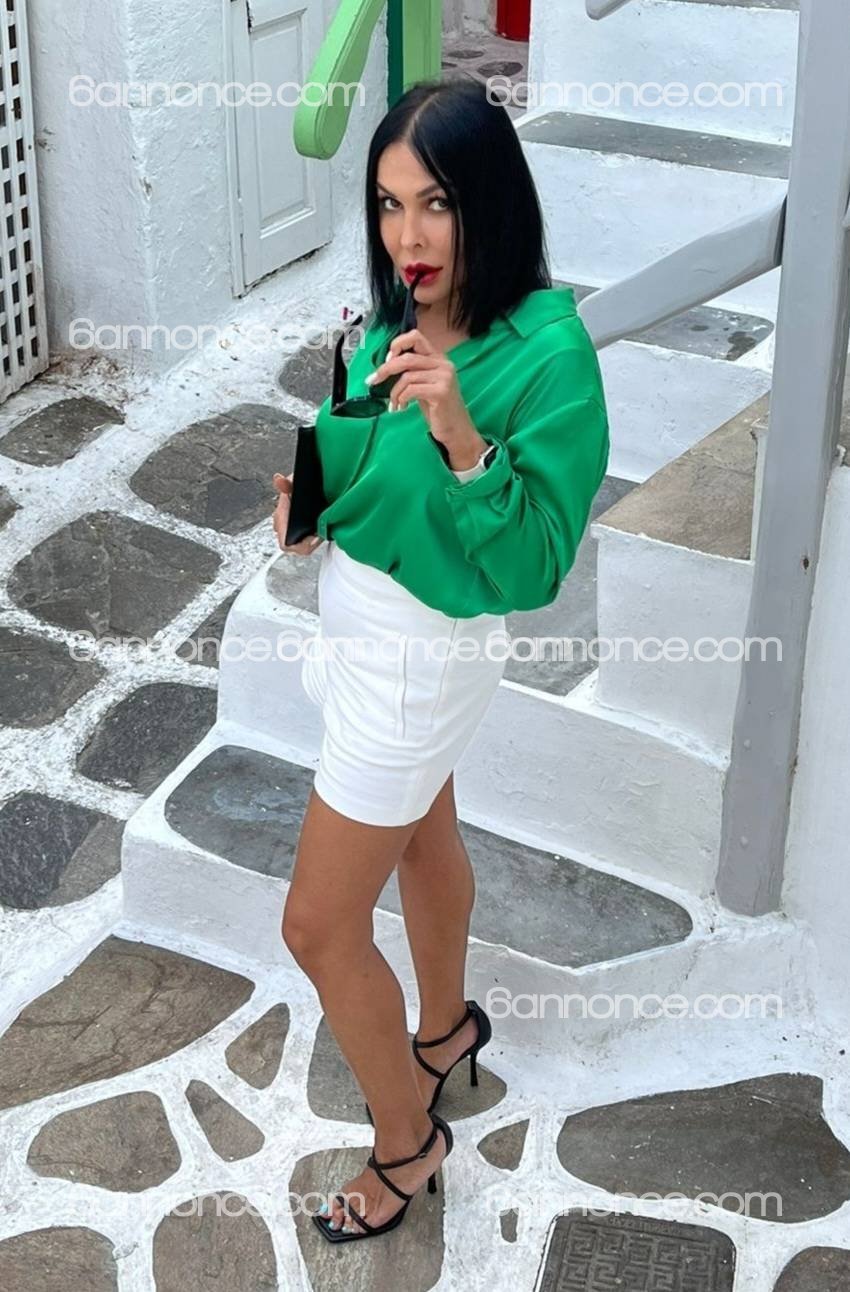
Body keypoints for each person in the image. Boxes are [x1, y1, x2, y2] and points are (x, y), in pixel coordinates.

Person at [271, 75, 609, 1245]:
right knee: (424, 837)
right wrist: (318, 507)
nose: (406, 236)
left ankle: (408, 1139)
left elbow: (535, 561)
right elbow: (380, 476)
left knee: (317, 925)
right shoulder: (401, 308)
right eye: (387, 203)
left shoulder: (549, 353)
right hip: (362, 630)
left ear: (489, 201)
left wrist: (462, 435)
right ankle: (445, 1028)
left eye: (436, 204)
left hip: (419, 664)